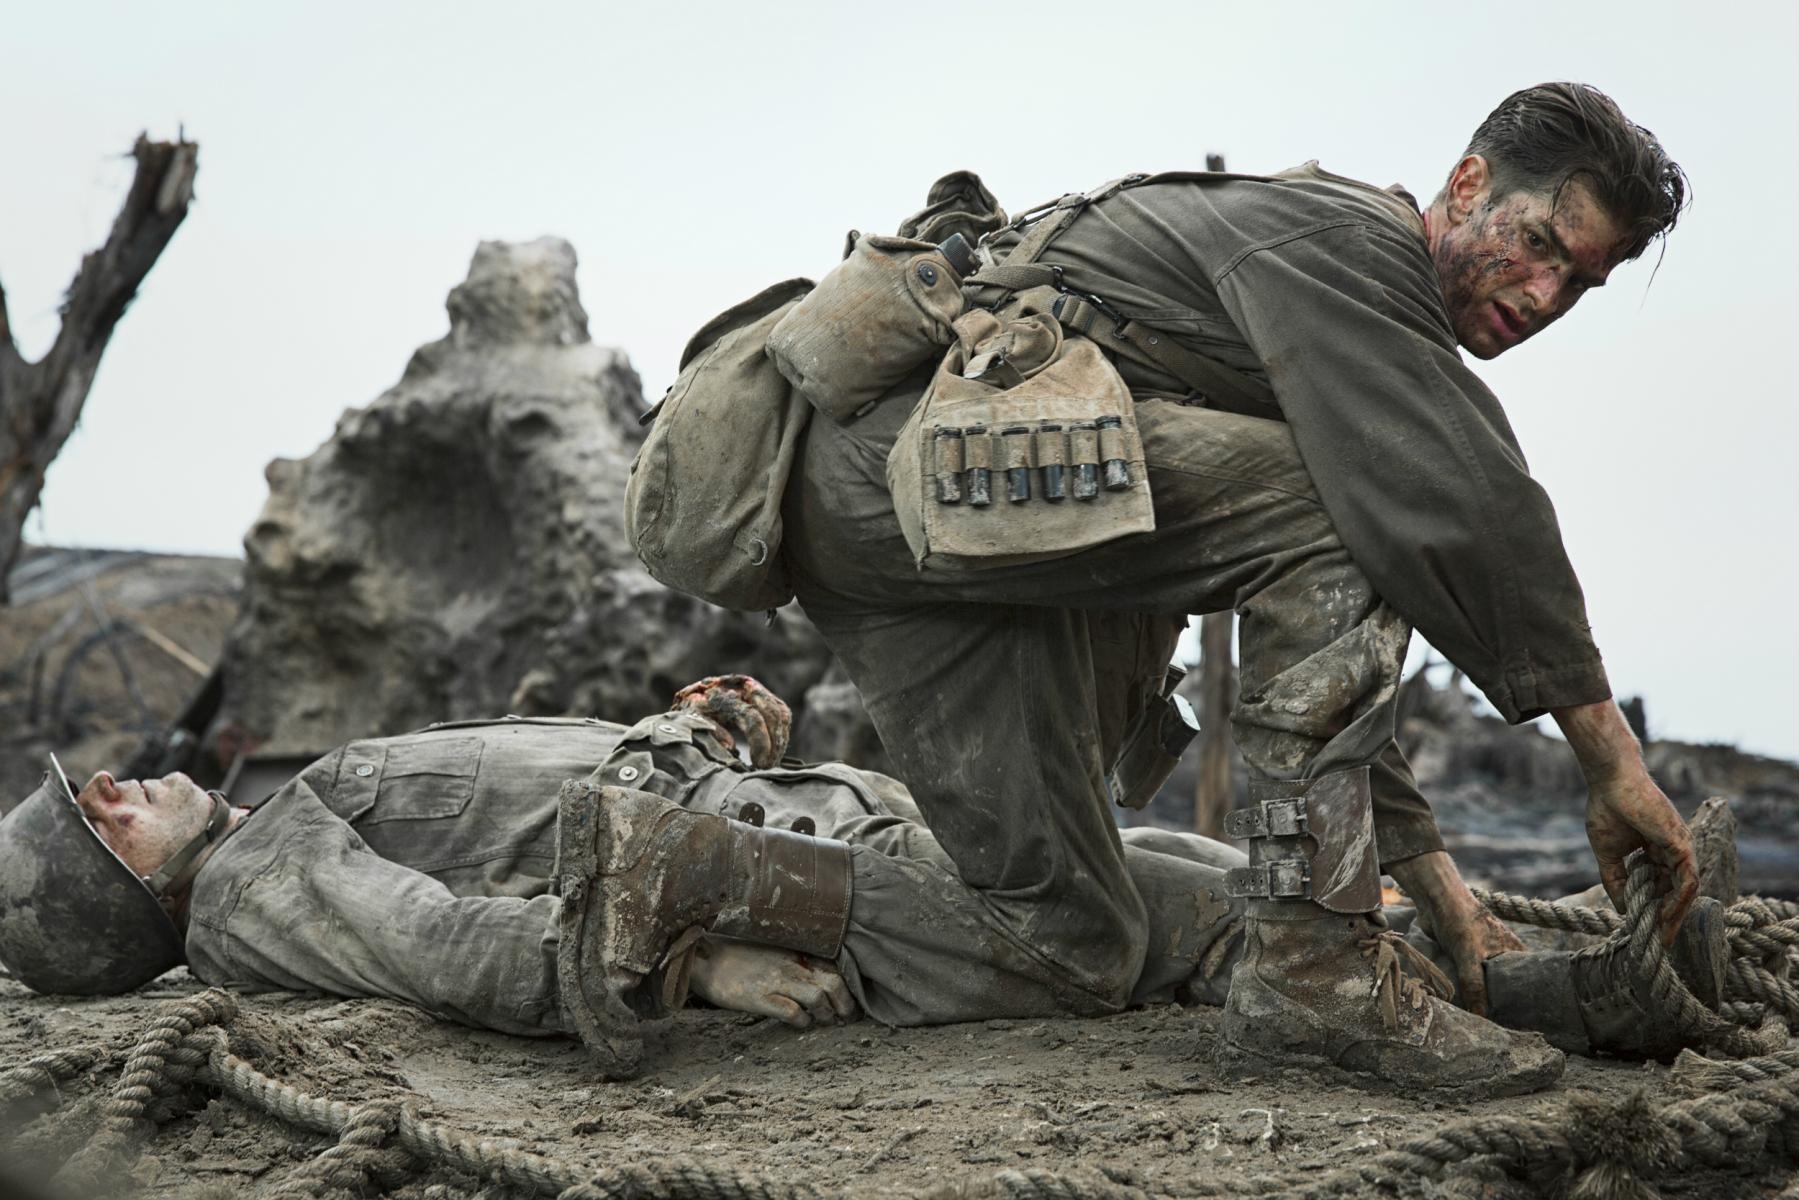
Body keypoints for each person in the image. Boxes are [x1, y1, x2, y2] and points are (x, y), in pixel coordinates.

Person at [750, 82, 1699, 1092]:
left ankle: (686, 866)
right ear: (1467, 185)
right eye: (1541, 244)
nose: (1544, 296)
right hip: (904, 475)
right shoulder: (1348, 243)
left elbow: (1328, 655)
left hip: (925, 513)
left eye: (1579, 282)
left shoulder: (1336, 319)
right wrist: (1612, 765)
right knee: (1343, 509)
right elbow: (1469, 505)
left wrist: (1446, 903)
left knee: (1065, 938)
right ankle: (1310, 972)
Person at [0, 677, 1726, 1079]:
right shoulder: (255, 888)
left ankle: (1522, 961)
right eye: (103, 816)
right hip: (782, 889)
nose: (123, 781)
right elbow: (462, 950)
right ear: (118, 900)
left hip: (809, 834)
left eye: (102, 782)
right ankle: (1550, 1001)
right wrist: (692, 961)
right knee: (1199, 918)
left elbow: (538, 814)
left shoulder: (284, 813)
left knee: (1193, 866)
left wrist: (692, 726)